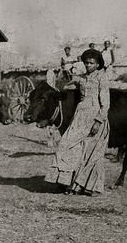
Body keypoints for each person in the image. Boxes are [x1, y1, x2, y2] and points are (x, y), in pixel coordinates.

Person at [45, 48, 111, 196]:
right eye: (86, 63)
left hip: (95, 116)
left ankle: (89, 187)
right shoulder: (81, 78)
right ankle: (67, 182)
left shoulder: (102, 78)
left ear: (98, 64)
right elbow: (64, 87)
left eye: (92, 63)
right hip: (80, 116)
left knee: (91, 153)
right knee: (67, 144)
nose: (88, 65)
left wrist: (98, 121)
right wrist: (69, 81)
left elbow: (105, 103)